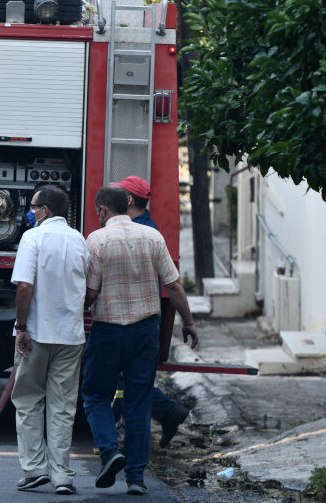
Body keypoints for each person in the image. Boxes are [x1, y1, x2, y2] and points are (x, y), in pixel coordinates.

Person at [82, 185, 198, 495]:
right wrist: (188, 322)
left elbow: (91, 293)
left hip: (108, 330)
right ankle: (136, 478)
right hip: (147, 330)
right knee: (138, 401)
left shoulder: (97, 240)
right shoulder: (153, 237)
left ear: (103, 211)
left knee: (95, 394)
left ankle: (110, 451)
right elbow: (174, 286)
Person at [10, 185, 89, 496]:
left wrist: (20, 326)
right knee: (63, 406)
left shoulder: (33, 237)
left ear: (44, 210)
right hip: (71, 335)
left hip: (37, 333)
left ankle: (34, 470)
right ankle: (62, 477)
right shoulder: (80, 239)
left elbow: (24, 286)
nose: (31, 211)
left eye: (33, 206)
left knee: (28, 400)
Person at [110, 175, 192, 449]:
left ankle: (128, 444)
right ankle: (166, 413)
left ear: (129, 200)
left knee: (127, 382)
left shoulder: (137, 233)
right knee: (133, 379)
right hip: (144, 319)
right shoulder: (150, 231)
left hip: (129, 319)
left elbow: (174, 284)